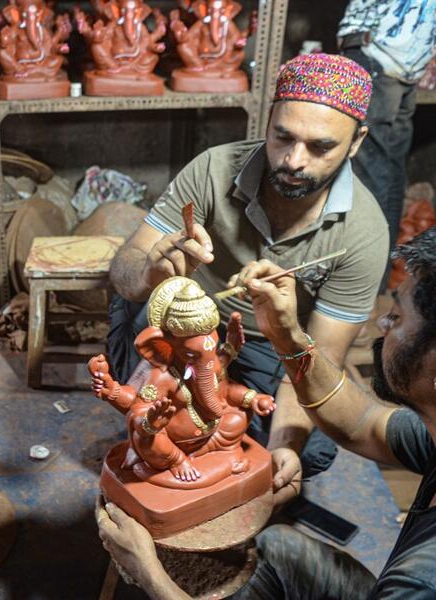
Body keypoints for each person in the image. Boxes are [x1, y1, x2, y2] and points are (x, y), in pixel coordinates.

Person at [97, 226, 436, 599]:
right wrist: (285, 331)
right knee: (276, 544)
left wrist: (148, 572)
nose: (382, 322)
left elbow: (221, 394)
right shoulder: (431, 432)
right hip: (177, 446)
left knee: (244, 429)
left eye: (398, 317)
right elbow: (363, 423)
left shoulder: (420, 581)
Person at [107, 53, 389, 494]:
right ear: (267, 120)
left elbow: (317, 358)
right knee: (151, 396)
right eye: (283, 137)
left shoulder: (364, 233)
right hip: (181, 328)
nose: (294, 160)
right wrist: (150, 273)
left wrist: (284, 445)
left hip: (270, 345)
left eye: (320, 147)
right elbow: (122, 275)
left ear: (355, 142)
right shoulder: (213, 170)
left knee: (305, 451)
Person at [338, 0, 436, 288]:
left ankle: (366, 284)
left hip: (391, 63)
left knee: (380, 175)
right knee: (382, 173)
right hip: (392, 62)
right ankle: (369, 281)